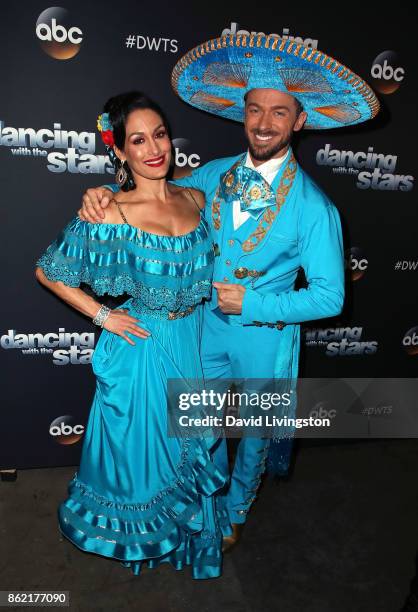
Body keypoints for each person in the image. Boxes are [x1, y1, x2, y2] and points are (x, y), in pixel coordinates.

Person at [77, 33, 380, 551]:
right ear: (243, 113)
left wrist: (254, 302)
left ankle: (237, 507)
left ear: (299, 121)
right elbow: (156, 195)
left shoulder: (316, 208)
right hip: (202, 329)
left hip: (265, 337)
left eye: (279, 113)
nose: (264, 123)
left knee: (256, 434)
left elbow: (331, 298)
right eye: (255, 109)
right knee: (200, 423)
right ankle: (209, 500)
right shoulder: (214, 174)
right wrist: (107, 192)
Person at [35, 91, 230, 579]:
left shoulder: (196, 198)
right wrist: (103, 315)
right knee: (145, 466)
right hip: (141, 352)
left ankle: (185, 543)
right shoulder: (110, 213)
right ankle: (149, 544)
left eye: (159, 135)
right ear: (120, 151)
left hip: (192, 343)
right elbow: (49, 272)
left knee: (188, 451)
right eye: (137, 140)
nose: (153, 148)